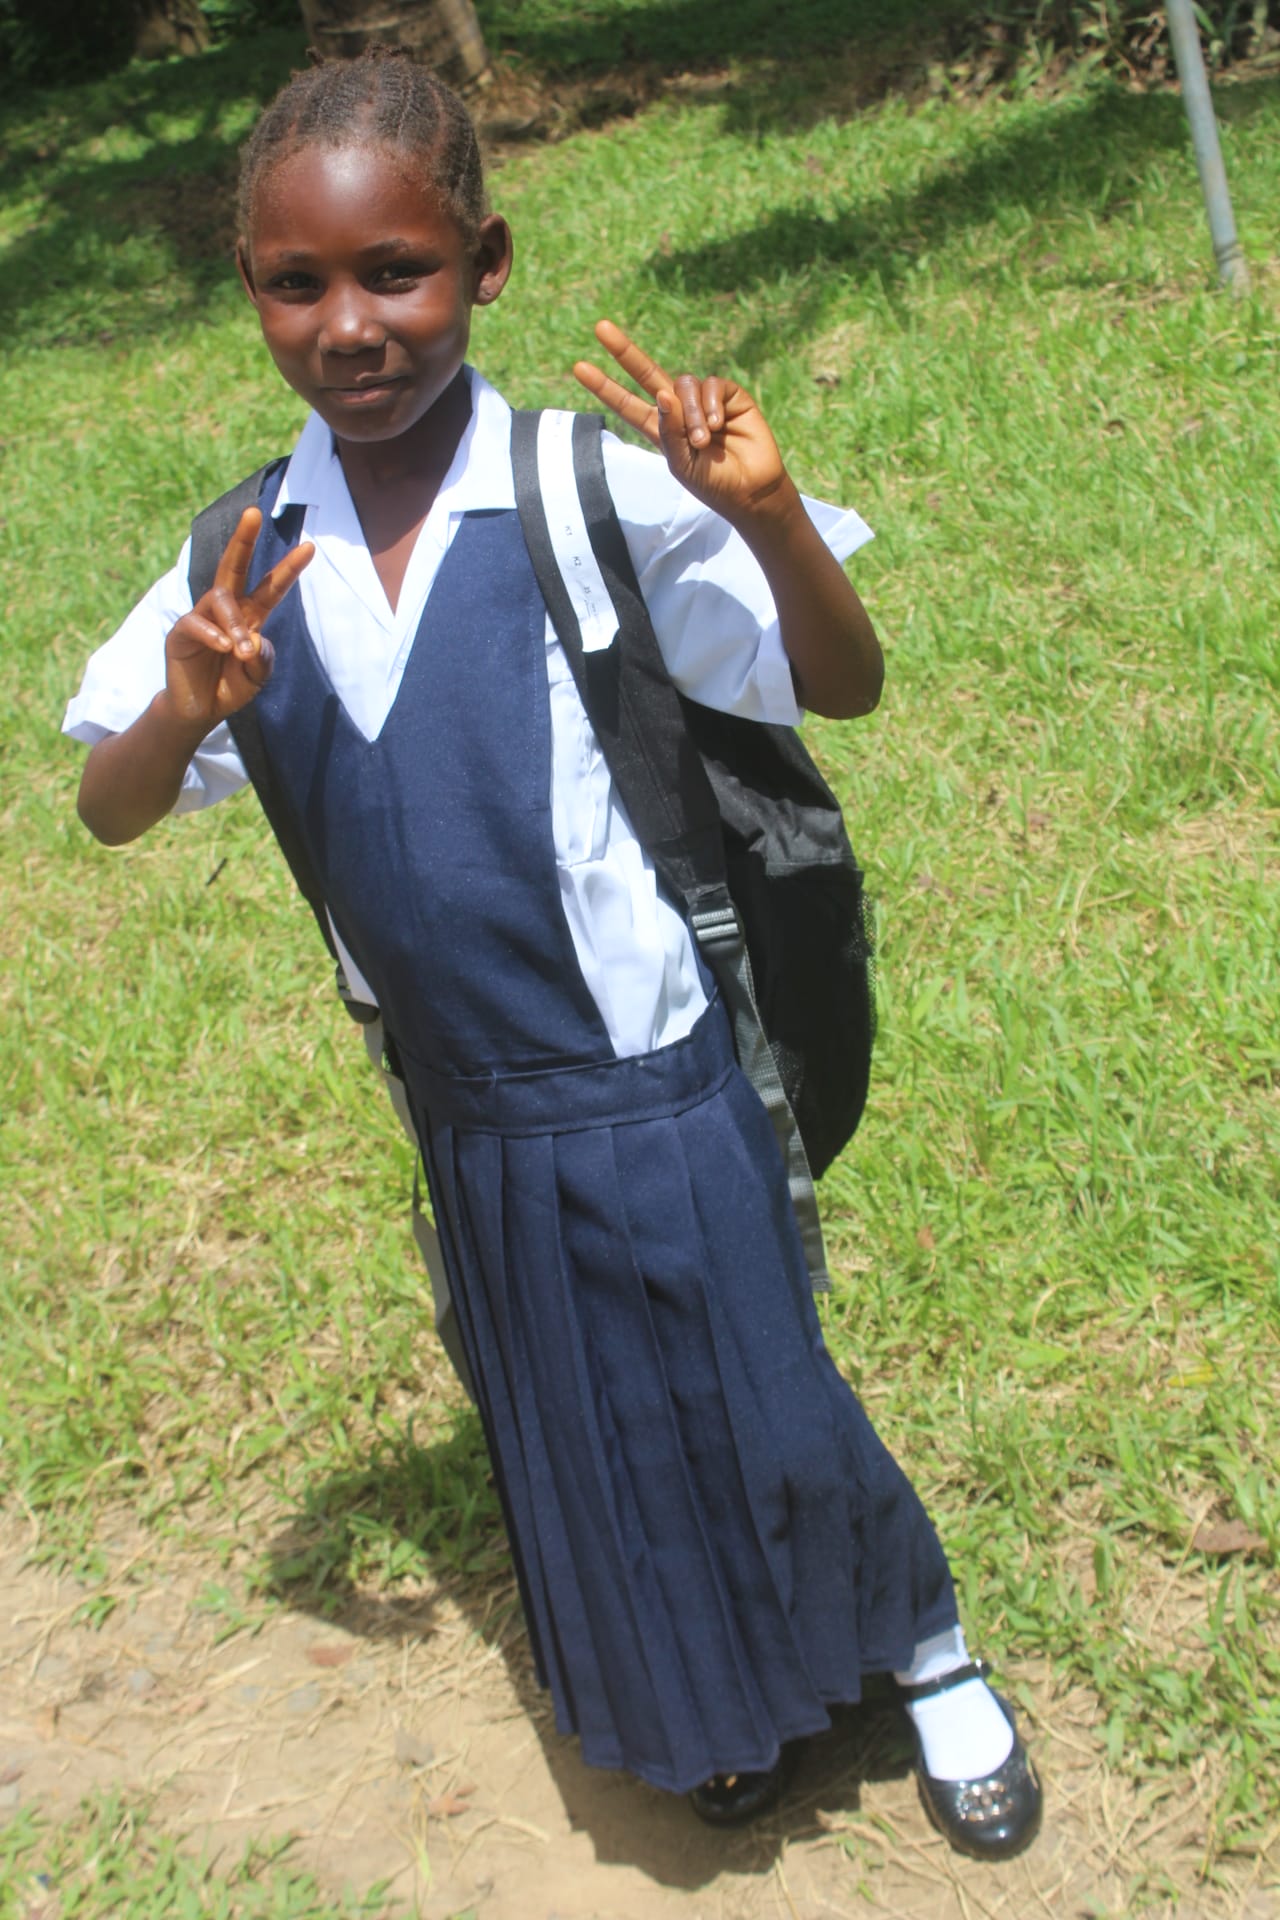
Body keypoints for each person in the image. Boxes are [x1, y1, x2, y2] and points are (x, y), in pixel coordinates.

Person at [63, 50, 1041, 1860]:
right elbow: (110, 808)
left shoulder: (584, 487)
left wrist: (762, 511)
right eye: (298, 283)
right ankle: (715, 1703)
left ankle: (928, 1647)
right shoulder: (244, 551)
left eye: (398, 272)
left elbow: (840, 683)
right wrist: (184, 706)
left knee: (766, 1392)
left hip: (654, 1075)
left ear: (486, 263)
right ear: (251, 290)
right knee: (587, 1430)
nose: (350, 327)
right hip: (470, 1107)